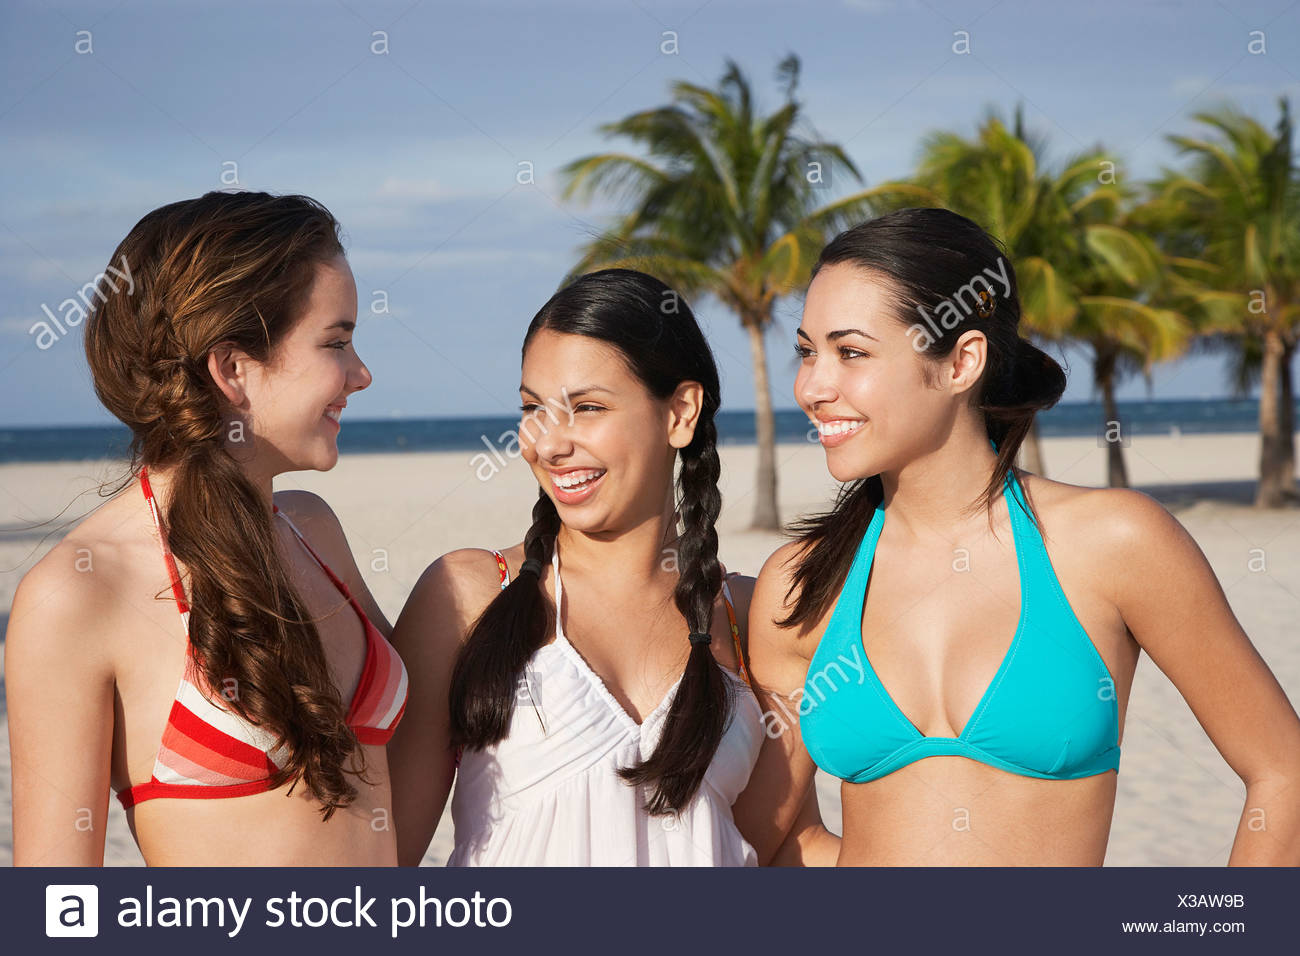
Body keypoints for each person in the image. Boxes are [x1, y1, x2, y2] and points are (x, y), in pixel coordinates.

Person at [739, 206, 1300, 865]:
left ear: (961, 362)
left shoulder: (1114, 543)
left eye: (851, 353)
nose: (812, 386)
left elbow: (1282, 773)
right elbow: (775, 840)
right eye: (807, 352)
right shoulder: (800, 584)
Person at [6, 191, 405, 865]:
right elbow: (53, 907)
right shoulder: (80, 592)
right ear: (232, 368)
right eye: (336, 342)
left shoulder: (311, 529)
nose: (361, 374)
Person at [389, 268, 833, 865]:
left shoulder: (750, 617)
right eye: (533, 409)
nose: (548, 444)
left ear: (680, 412)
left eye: (587, 407)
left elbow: (791, 852)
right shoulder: (469, 596)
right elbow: (380, 859)